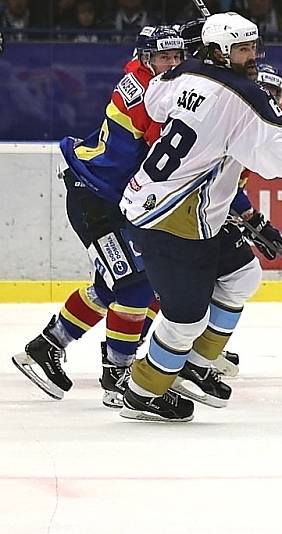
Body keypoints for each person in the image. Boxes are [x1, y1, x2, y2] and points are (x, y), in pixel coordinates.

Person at [119, 12, 282, 422]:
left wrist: (193, 57)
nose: (252, 56)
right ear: (220, 52)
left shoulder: (185, 74)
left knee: (244, 275)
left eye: (252, 47)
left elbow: (154, 102)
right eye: (242, 49)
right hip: (173, 220)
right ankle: (142, 391)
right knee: (185, 319)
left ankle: (193, 365)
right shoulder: (248, 100)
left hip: (175, 209)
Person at [11, 26, 185, 408]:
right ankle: (118, 373)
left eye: (176, 57)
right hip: (96, 201)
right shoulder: (152, 100)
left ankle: (47, 345)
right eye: (163, 58)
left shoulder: (141, 78)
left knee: (114, 287)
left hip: (109, 197)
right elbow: (171, 145)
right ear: (145, 59)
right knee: (136, 287)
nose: (171, 64)